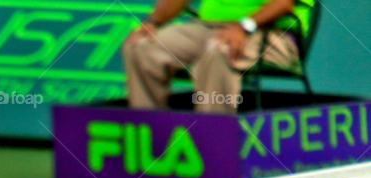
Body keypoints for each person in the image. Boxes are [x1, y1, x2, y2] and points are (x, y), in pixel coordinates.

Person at [123, 0, 314, 114]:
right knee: (140, 47)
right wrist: (152, 21)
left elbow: (283, 3)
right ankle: (152, 139)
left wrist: (244, 27)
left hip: (272, 33)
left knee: (219, 50)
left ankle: (213, 143)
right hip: (207, 27)